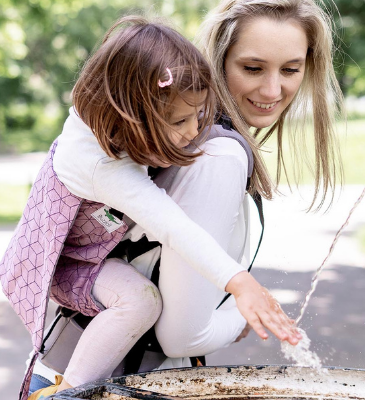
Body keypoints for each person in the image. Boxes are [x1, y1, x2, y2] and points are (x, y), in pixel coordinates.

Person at [24, 0, 343, 396]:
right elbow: (183, 335)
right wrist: (238, 310)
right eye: (252, 68)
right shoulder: (216, 156)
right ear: (217, 61)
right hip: (122, 381)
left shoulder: (163, 123)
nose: (273, 89)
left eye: (292, 69)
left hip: (77, 362)